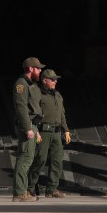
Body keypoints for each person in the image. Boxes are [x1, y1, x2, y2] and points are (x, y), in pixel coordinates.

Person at [33, 68, 72, 197]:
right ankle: (30, 187)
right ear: (44, 81)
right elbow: (33, 113)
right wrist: (35, 131)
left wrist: (66, 130)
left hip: (56, 132)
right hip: (43, 131)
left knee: (57, 161)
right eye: (52, 79)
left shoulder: (58, 95)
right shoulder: (37, 94)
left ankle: (51, 189)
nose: (55, 81)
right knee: (40, 159)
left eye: (56, 79)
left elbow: (62, 114)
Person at [11, 57, 45, 202]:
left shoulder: (31, 84)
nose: (40, 71)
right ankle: (19, 193)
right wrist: (27, 128)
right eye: (38, 68)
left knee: (29, 158)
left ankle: (23, 191)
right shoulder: (22, 84)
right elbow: (21, 107)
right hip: (28, 125)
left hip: (33, 125)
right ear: (31, 69)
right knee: (24, 158)